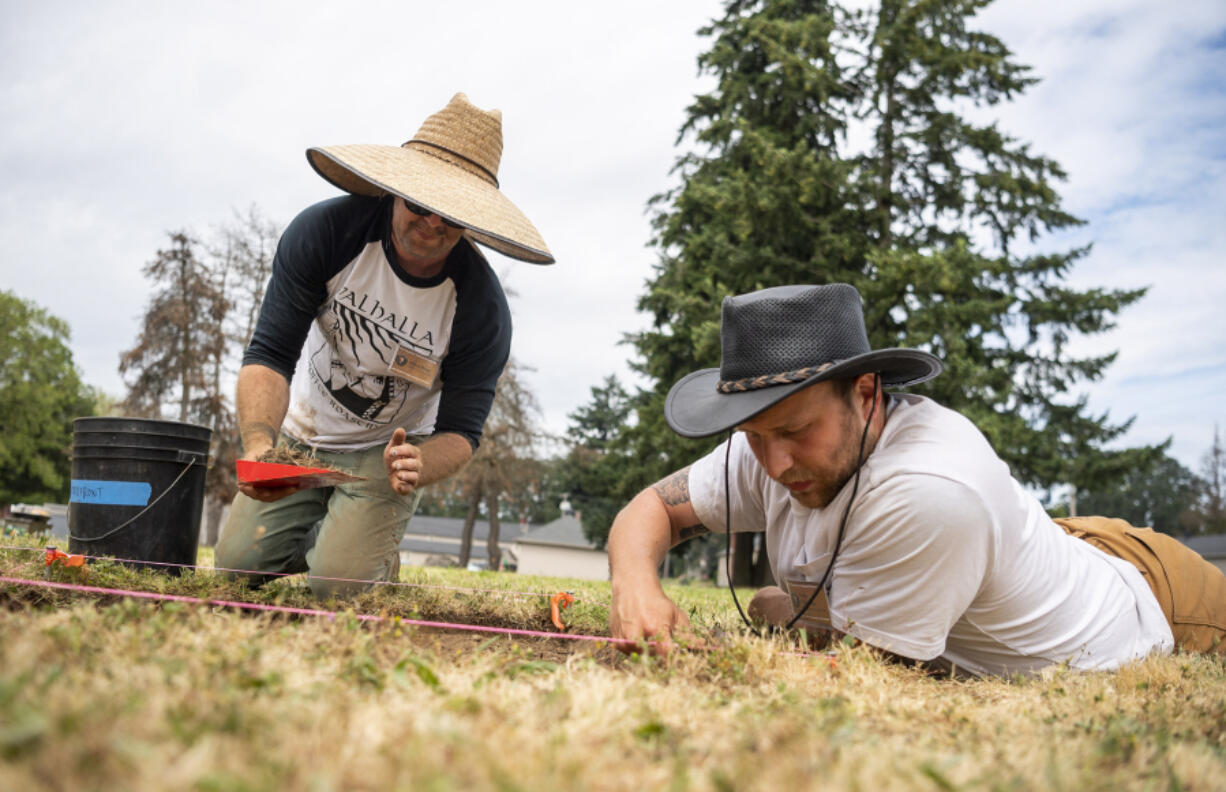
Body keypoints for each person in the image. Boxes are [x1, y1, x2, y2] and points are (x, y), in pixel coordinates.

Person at [608, 283, 1226, 676]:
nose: (772, 465)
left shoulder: (929, 492)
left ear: (867, 392)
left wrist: (776, 615)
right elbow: (651, 510)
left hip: (1163, 605)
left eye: (795, 431)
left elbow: (863, 677)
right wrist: (635, 585)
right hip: (1062, 542)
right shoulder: (769, 437)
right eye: (753, 436)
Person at [215, 93, 553, 598]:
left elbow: (462, 433)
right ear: (398, 190)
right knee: (235, 569)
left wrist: (419, 463)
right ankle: (333, 535)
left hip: (386, 452)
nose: (433, 224)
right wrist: (261, 447)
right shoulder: (326, 233)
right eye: (421, 204)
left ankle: (361, 551)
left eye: (453, 217)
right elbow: (268, 354)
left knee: (336, 588)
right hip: (305, 434)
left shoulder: (481, 309)